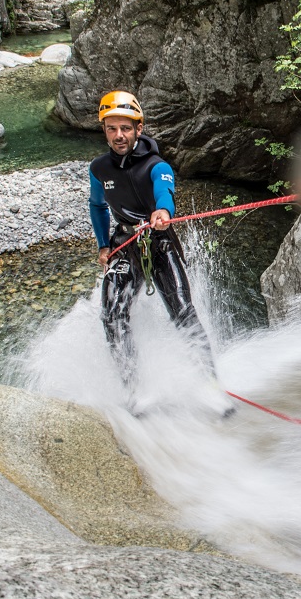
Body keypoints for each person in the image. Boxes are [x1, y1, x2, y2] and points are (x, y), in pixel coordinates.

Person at [88, 90, 224, 414]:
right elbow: (96, 206)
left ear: (139, 128)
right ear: (105, 130)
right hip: (123, 244)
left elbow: (165, 192)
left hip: (158, 241)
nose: (119, 135)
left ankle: (212, 385)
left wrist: (162, 212)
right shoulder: (99, 169)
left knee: (181, 310)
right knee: (111, 312)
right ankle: (134, 391)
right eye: (111, 128)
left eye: (125, 128)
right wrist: (103, 245)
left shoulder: (156, 165)